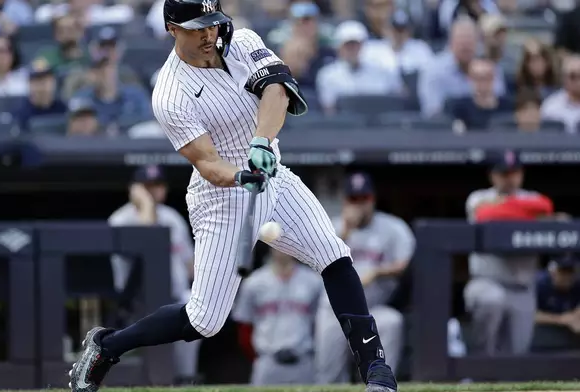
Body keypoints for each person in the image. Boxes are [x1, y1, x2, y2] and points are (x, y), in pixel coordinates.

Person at [68, 1, 398, 392]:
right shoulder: (170, 93)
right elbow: (207, 163)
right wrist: (243, 174)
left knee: (335, 254)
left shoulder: (241, 41)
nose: (209, 34)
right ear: (172, 28)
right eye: (196, 27)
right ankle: (107, 346)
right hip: (220, 199)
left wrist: (261, 142)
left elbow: (276, 89)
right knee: (204, 321)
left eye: (212, 24)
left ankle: (376, 369)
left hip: (273, 174)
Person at [107, 165, 200, 384]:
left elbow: (189, 262)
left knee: (197, 310)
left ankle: (185, 379)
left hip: (175, 295)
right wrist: (146, 205)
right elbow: (147, 241)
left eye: (157, 185)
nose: (153, 191)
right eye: (146, 186)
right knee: (145, 359)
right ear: (134, 189)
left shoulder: (172, 217)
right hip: (137, 303)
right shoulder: (121, 219)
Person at [316, 173, 413, 383]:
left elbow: (404, 264)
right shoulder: (330, 226)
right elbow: (315, 259)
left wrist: (378, 272)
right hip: (333, 310)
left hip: (374, 308)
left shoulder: (393, 227)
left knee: (392, 322)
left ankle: (381, 384)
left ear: (373, 199)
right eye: (354, 199)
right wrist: (346, 231)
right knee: (328, 375)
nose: (359, 205)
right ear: (345, 201)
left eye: (364, 199)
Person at [464, 150, 554, 355]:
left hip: (522, 287)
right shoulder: (478, 197)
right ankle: (477, 374)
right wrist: (527, 213)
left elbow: (545, 205)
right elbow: (485, 213)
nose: (510, 179)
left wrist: (514, 208)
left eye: (514, 173)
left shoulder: (533, 197)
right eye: (504, 173)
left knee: (517, 355)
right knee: (491, 301)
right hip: (487, 282)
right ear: (492, 175)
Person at [232, 249, 322, 385]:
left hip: (303, 360)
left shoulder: (313, 281)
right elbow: (244, 328)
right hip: (267, 361)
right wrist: (257, 357)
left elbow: (320, 324)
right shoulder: (254, 282)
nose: (282, 248)